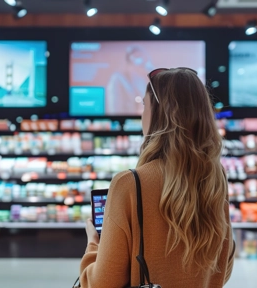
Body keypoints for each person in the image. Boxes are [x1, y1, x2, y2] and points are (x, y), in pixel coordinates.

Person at [81, 68, 235, 287]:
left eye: (145, 105)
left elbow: (103, 283)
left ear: (160, 113)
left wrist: (93, 246)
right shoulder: (215, 176)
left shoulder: (129, 184)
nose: (141, 114)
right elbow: (223, 268)